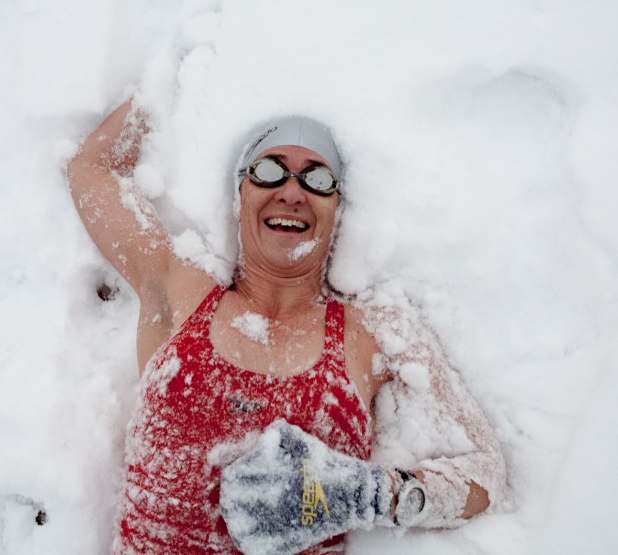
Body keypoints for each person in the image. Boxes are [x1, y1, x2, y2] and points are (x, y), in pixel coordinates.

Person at [68, 98, 507, 555]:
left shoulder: (372, 332)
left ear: (337, 208)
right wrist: (174, 84)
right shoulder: (181, 291)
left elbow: (485, 473)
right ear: (241, 196)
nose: (293, 192)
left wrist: (374, 495)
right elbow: (92, 173)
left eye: (317, 179)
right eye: (270, 171)